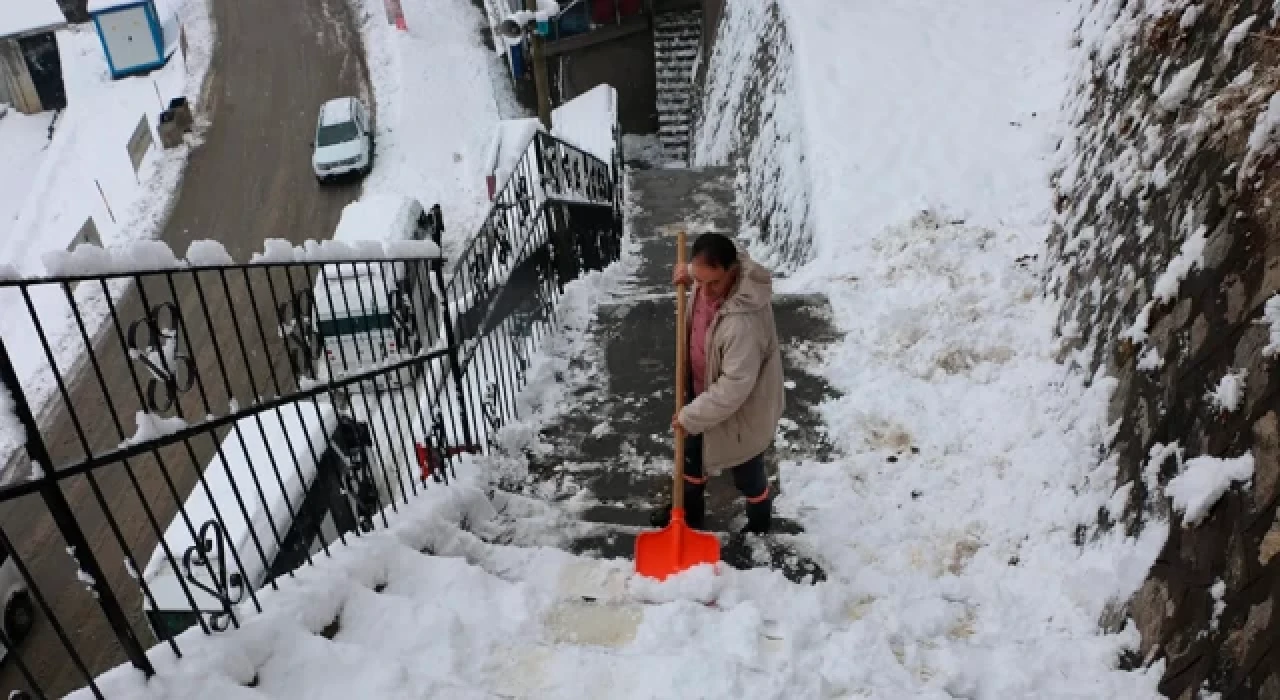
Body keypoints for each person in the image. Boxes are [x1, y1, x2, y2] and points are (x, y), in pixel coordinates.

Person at [651, 232, 786, 535]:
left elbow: (735, 385)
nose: (705, 291)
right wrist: (688, 274)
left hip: (743, 411)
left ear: (732, 271)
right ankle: (688, 515)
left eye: (713, 283)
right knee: (692, 459)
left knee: (747, 472)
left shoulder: (744, 323)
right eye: (699, 281)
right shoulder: (711, 276)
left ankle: (759, 523)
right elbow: (709, 264)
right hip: (702, 392)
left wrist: (691, 416)